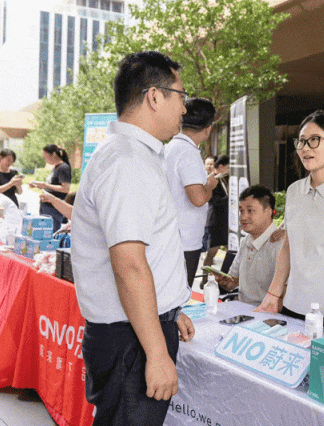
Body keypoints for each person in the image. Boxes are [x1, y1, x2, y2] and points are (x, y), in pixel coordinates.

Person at [71, 51, 195, 426]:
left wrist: (169, 309)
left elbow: (148, 252)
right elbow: (129, 266)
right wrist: (156, 352)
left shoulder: (133, 155)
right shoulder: (128, 162)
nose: (185, 108)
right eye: (181, 96)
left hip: (137, 330)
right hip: (133, 342)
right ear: (155, 96)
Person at [255, 110, 324, 335]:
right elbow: (287, 247)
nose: (305, 148)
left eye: (314, 140)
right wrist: (274, 294)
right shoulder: (294, 191)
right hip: (292, 305)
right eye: (302, 141)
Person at [164, 98, 219, 286]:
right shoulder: (188, 152)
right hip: (184, 241)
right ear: (208, 129)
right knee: (178, 296)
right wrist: (210, 185)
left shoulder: (169, 148)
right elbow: (198, 198)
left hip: (169, 237)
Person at [215, 185, 283, 305]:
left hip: (267, 312)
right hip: (242, 309)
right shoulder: (246, 241)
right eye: (241, 211)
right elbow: (233, 281)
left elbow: (285, 294)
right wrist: (226, 282)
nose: (243, 217)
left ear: (268, 212)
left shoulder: (280, 244)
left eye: (250, 211)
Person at [29, 145, 72, 233]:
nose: (45, 159)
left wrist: (45, 185)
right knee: (43, 232)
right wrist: (38, 185)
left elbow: (65, 188)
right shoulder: (56, 167)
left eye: (45, 157)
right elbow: (53, 186)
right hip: (47, 205)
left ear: (53, 155)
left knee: (49, 233)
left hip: (53, 207)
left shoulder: (63, 168)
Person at [201, 154, 230, 281]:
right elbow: (214, 200)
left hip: (226, 221)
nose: (230, 170)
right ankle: (204, 279)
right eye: (228, 167)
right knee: (212, 253)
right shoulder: (211, 180)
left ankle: (227, 278)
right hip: (215, 221)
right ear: (222, 166)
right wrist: (230, 199)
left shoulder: (225, 179)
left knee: (232, 250)